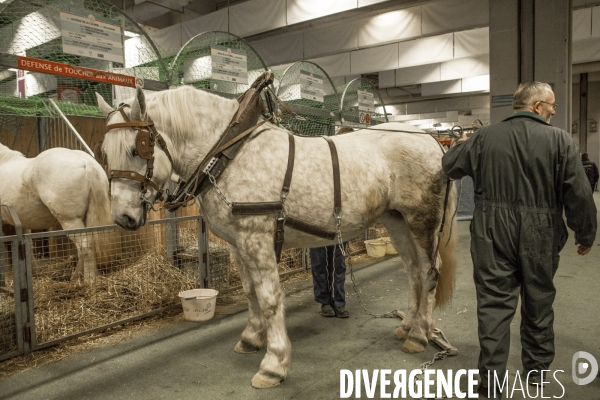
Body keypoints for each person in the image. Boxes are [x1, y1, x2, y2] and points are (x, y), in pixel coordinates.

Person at [442, 82, 597, 399]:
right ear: (538, 106)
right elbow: (579, 193)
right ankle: (537, 375)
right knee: (538, 303)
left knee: (493, 306)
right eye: (552, 105)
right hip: (540, 232)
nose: (554, 110)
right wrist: (585, 233)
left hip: (491, 232)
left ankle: (491, 382)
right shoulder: (559, 140)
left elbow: (449, 166)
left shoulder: (484, 137)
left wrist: (461, 144)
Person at [309, 243, 349, 318]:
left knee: (338, 265)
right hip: (316, 235)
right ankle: (324, 301)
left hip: (339, 232)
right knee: (319, 263)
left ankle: (338, 302)